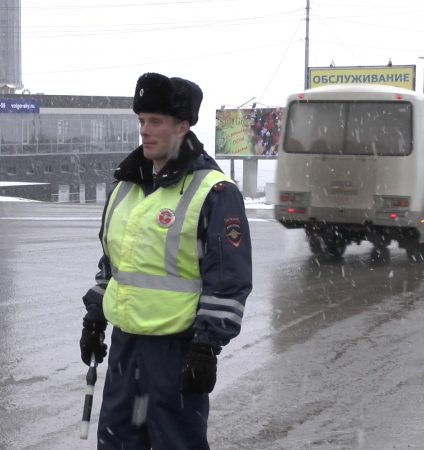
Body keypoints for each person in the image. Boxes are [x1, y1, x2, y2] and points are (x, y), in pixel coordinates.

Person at [79, 72, 253, 450]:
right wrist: (94, 319)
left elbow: (228, 280)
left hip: (177, 352)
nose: (144, 130)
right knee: (117, 443)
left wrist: (206, 346)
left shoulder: (214, 191)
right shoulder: (125, 187)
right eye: (142, 121)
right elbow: (114, 266)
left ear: (182, 126)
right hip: (126, 348)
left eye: (155, 121)